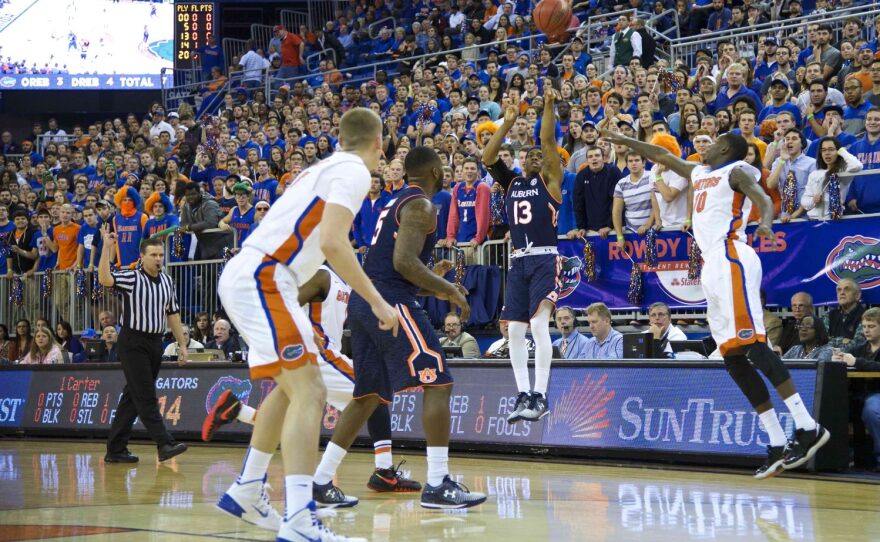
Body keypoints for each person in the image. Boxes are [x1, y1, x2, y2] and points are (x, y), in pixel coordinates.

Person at [600, 128, 829, 479]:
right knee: (733, 358)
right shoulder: (698, 172)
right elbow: (660, 156)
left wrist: (766, 223)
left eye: (714, 141)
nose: (702, 147)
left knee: (755, 347)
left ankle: (806, 425)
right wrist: (622, 139)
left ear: (724, 147)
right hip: (712, 264)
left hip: (732, 255)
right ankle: (775, 440)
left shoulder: (735, 171)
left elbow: (763, 198)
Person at [214, 108, 399, 541]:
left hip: (257, 273)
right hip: (266, 276)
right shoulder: (354, 171)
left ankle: (246, 487)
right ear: (378, 143)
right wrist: (377, 301)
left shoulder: (323, 167)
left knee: (290, 387)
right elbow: (334, 242)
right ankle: (299, 518)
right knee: (312, 390)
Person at [300, 145, 485, 515]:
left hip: (365, 300)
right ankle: (437, 483)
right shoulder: (422, 206)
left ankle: (320, 482)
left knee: (368, 396)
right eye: (443, 168)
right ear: (435, 172)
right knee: (439, 381)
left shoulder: (394, 201)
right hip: (389, 302)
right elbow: (403, 263)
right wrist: (445, 289)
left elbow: (393, 265)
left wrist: (435, 281)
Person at [204, 266, 421, 506]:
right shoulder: (319, 274)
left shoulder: (341, 278)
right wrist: (305, 330)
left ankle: (236, 410)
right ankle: (376, 473)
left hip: (323, 353)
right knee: (373, 392)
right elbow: (287, 306)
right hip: (319, 353)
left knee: (294, 419)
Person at [482, 90, 564, 423]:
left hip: (545, 258)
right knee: (514, 332)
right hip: (518, 261)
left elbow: (546, 138)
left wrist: (548, 106)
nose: (533, 156)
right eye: (527, 155)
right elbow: (488, 158)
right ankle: (522, 394)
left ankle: (541, 395)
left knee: (539, 325)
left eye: (538, 155)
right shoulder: (513, 182)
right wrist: (507, 124)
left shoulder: (552, 181)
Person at [99, 230, 189, 465]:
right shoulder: (132, 277)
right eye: (153, 255)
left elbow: (173, 314)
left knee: (132, 397)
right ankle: (164, 443)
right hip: (133, 342)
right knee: (146, 396)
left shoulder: (168, 281)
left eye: (161, 254)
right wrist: (106, 248)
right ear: (142, 256)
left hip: (155, 343)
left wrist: (182, 344)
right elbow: (105, 279)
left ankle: (116, 449)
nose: (158, 259)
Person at [833, 307, 880, 472]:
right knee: (834, 407)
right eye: (865, 326)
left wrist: (856, 362)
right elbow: (848, 357)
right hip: (858, 394)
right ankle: (835, 459)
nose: (866, 330)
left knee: (872, 409)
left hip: (877, 394)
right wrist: (838, 359)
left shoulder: (858, 354)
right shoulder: (859, 347)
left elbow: (871, 365)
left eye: (872, 326)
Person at [801, 137, 862, 220]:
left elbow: (857, 166)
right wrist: (813, 200)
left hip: (834, 220)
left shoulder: (843, 172)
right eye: (824, 150)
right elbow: (804, 201)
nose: (827, 153)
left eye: (831, 149)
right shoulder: (814, 174)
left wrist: (842, 151)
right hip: (813, 220)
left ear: (837, 152)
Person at [823, 278, 867, 350]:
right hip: (828, 359)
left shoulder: (865, 316)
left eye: (847, 289)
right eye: (839, 290)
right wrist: (842, 340)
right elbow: (821, 341)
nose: (842, 293)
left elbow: (857, 345)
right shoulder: (828, 316)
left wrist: (832, 341)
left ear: (857, 295)